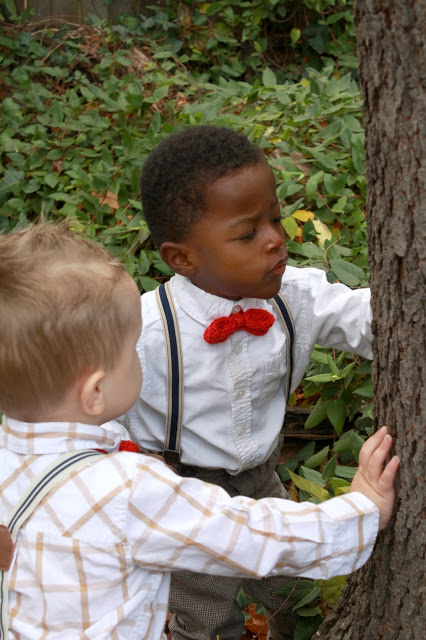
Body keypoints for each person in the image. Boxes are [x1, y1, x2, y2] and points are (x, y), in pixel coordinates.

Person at [0, 224, 399, 640]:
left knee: (286, 593)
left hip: (251, 475)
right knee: (203, 614)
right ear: (96, 391)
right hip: (189, 481)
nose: (139, 357)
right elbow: (249, 535)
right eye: (130, 352)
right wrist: (361, 512)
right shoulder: (131, 491)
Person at [124, 125, 383, 640]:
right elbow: (93, 416)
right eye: (247, 234)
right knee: (203, 609)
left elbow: (369, 318)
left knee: (292, 587)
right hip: (182, 489)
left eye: (276, 220)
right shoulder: (145, 332)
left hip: (263, 478)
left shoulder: (297, 298)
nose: (275, 240)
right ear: (182, 257)